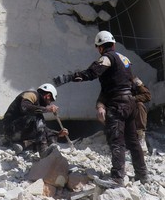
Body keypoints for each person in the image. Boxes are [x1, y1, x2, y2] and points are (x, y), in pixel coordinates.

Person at [55, 30, 147, 187]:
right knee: (133, 141)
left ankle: (117, 178)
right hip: (130, 103)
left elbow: (92, 73)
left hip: (117, 104)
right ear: (114, 44)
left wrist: (69, 77)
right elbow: (120, 83)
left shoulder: (107, 58)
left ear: (100, 47)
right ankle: (142, 175)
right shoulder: (124, 59)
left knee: (116, 141)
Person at [2, 83, 66, 157]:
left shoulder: (37, 108)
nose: (49, 103)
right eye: (50, 100)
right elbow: (25, 107)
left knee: (42, 134)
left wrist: (58, 134)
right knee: (38, 117)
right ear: (48, 96)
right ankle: (43, 151)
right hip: (10, 129)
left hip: (18, 132)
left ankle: (21, 145)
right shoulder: (31, 95)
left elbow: (42, 129)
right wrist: (47, 109)